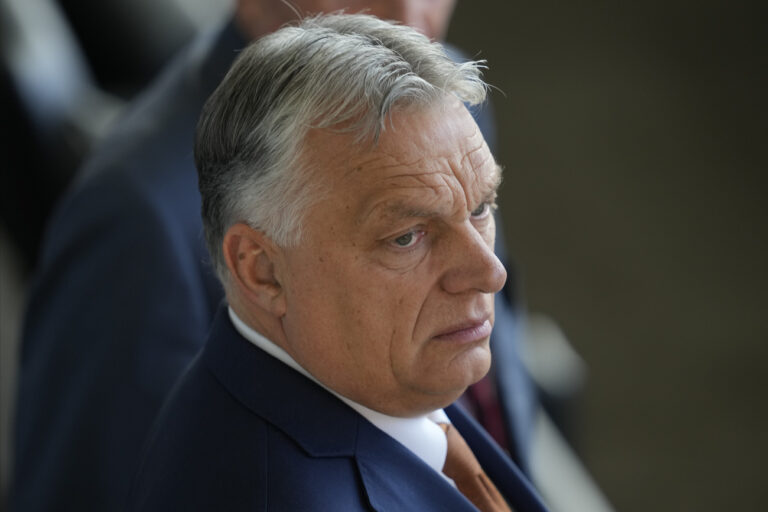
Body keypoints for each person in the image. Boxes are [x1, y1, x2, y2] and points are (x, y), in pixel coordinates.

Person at [11, 1, 536, 511]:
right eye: (405, 237)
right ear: (260, 270)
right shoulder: (136, 217)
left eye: (482, 207)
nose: (491, 273)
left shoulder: (432, 104)